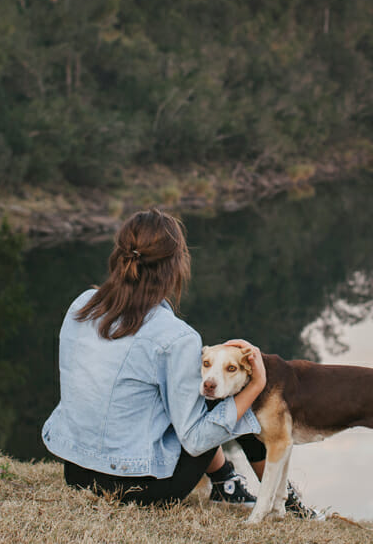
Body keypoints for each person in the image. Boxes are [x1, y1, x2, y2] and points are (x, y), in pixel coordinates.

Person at [41, 209, 318, 516]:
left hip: (77, 471)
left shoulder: (82, 304)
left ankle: (227, 484)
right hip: (139, 488)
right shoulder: (176, 337)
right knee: (232, 393)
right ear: (176, 263)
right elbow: (196, 439)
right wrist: (256, 385)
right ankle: (288, 504)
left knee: (203, 390)